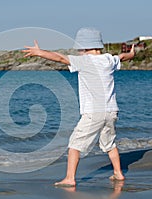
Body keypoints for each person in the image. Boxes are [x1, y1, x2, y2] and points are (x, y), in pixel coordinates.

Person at [22, 27, 135, 187]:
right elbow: (123, 57)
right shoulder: (108, 59)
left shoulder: (84, 61)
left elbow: (60, 58)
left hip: (93, 113)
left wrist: (40, 52)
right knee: (109, 143)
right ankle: (118, 173)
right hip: (111, 111)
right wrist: (132, 53)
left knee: (74, 144)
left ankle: (70, 178)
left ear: (84, 47)